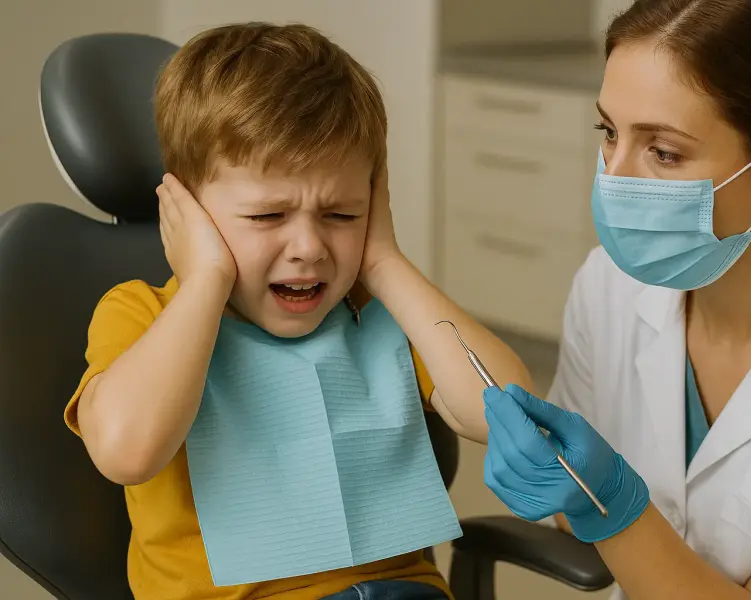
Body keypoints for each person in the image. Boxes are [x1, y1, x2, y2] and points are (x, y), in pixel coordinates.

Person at [63, 23, 531, 600]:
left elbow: (509, 412)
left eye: (341, 215)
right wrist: (206, 278)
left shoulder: (377, 309)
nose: (309, 247)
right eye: (266, 217)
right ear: (187, 211)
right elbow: (127, 451)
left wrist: (384, 262)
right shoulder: (139, 314)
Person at [480, 1, 751, 599]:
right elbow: (569, 515)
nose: (615, 179)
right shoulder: (609, 286)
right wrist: (558, 483)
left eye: (664, 152)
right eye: (609, 133)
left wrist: (616, 508)